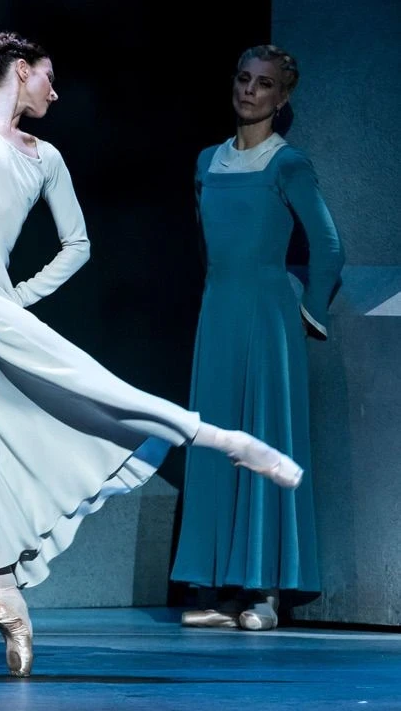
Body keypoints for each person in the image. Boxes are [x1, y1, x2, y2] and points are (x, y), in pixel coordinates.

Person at [0, 0, 303, 678]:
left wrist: (18, 298)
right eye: (48, 76)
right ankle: (223, 441)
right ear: (20, 70)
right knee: (87, 385)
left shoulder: (47, 159)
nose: (56, 89)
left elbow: (76, 246)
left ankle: (8, 598)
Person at [170, 45, 344, 631]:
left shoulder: (287, 163)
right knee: (216, 441)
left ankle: (265, 593)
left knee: (264, 440)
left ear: (282, 96)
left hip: (269, 322)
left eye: (264, 83)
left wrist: (309, 313)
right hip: (219, 316)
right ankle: (220, 588)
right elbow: (207, 244)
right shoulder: (207, 161)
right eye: (244, 78)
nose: (250, 90)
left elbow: (329, 245)